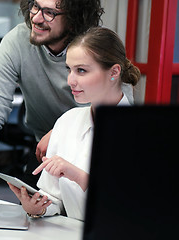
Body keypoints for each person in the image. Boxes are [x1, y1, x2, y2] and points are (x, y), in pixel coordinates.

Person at [0, 0, 133, 198]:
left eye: (50, 13)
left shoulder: (93, 45)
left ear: (73, 19)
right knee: (33, 215)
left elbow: (118, 112)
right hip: (44, 153)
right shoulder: (17, 41)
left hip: (91, 156)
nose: (36, 18)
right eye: (35, 6)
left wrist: (59, 131)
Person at [8, 27, 140, 220]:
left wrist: (78, 175)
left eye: (81, 71)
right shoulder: (67, 121)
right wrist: (38, 207)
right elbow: (53, 198)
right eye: (68, 69)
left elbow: (132, 207)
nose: (70, 80)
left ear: (114, 72)